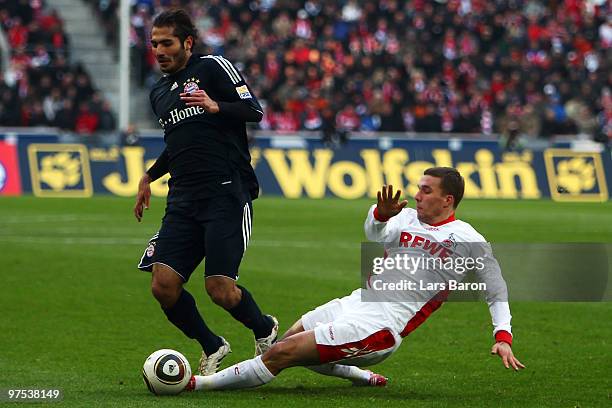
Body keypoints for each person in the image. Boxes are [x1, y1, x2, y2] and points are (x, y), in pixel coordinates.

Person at [185, 167, 525, 391]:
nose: (418, 195)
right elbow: (375, 234)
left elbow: (496, 289)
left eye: (426, 190)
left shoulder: (467, 238)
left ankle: (197, 384)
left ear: (447, 199)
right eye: (418, 188)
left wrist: (503, 336)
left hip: (380, 327)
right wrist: (379, 215)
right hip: (355, 302)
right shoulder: (406, 219)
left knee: (282, 354)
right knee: (282, 344)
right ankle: (358, 375)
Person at [133, 9, 277, 376]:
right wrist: (149, 176)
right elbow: (180, 142)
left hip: (226, 193)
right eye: (154, 44)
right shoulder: (159, 93)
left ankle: (264, 328)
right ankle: (213, 346)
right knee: (163, 286)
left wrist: (217, 105)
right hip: (182, 199)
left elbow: (253, 111)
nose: (159, 50)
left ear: (188, 42)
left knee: (220, 290)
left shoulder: (213, 67)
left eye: (166, 42)